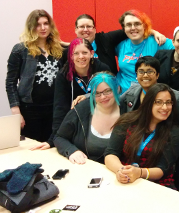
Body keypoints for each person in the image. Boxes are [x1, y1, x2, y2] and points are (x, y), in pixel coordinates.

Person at [31, 38, 110, 150]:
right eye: (76, 53)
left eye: (85, 53)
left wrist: (89, 97)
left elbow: (112, 96)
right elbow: (60, 107)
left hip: (102, 122)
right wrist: (53, 139)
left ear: (92, 54)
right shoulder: (64, 75)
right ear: (71, 56)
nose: (81, 57)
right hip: (77, 125)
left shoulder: (102, 70)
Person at [105, 83, 179, 188]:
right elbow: (111, 153)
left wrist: (139, 173)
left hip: (157, 183)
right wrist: (121, 171)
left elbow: (162, 169)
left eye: (168, 102)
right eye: (158, 102)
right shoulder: (127, 121)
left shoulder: (174, 132)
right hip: (124, 177)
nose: (165, 107)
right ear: (148, 103)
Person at [6, 9, 63, 142]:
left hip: (54, 108)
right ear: (31, 27)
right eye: (38, 24)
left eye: (46, 23)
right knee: (32, 149)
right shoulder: (20, 50)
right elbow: (10, 82)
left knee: (52, 146)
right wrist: (16, 111)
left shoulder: (58, 49)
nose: (42, 28)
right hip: (30, 109)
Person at [60, 14, 167, 75]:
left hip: (109, 92)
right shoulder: (68, 53)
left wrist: (154, 32)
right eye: (81, 27)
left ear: (95, 29)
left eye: (89, 26)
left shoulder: (106, 39)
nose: (85, 30)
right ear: (75, 30)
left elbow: (132, 29)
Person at [54, 72, 124, 164]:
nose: (103, 97)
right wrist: (71, 150)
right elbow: (59, 137)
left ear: (117, 88)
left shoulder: (128, 112)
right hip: (85, 167)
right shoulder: (81, 109)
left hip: (117, 172)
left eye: (107, 91)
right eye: (97, 93)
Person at [120, 56, 179, 140]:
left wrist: (176, 148)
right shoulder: (130, 93)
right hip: (135, 142)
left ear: (157, 75)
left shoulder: (175, 96)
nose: (145, 75)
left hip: (164, 144)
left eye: (150, 71)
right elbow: (120, 114)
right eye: (141, 72)